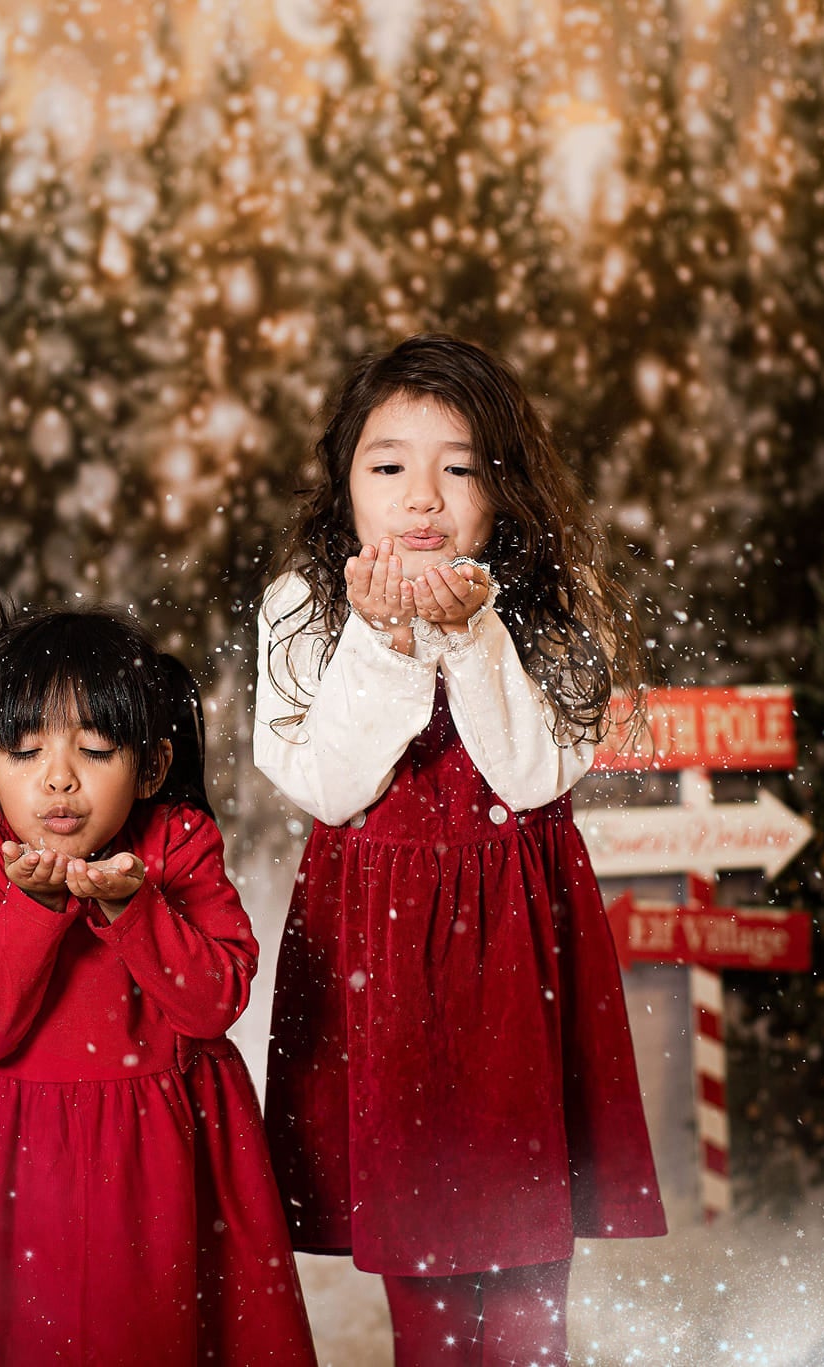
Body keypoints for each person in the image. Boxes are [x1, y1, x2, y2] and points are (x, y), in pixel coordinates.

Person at [256, 334, 667, 1366]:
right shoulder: (300, 610)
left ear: (503, 488)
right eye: (387, 464)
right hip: (377, 946)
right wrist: (383, 640)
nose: (420, 496)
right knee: (419, 1231)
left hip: (517, 933)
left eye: (460, 466)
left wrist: (473, 636)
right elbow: (326, 783)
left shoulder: (553, 603)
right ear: (344, 484)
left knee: (526, 1229)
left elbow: (533, 775)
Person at [0, 606, 317, 1366]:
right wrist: (33, 908)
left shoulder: (176, 841)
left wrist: (133, 907)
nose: (59, 776)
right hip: (21, 1160)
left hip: (170, 1150)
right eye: (27, 750)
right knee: (34, 1338)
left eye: (96, 748)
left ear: (153, 766)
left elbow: (215, 1001)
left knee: (163, 1338)